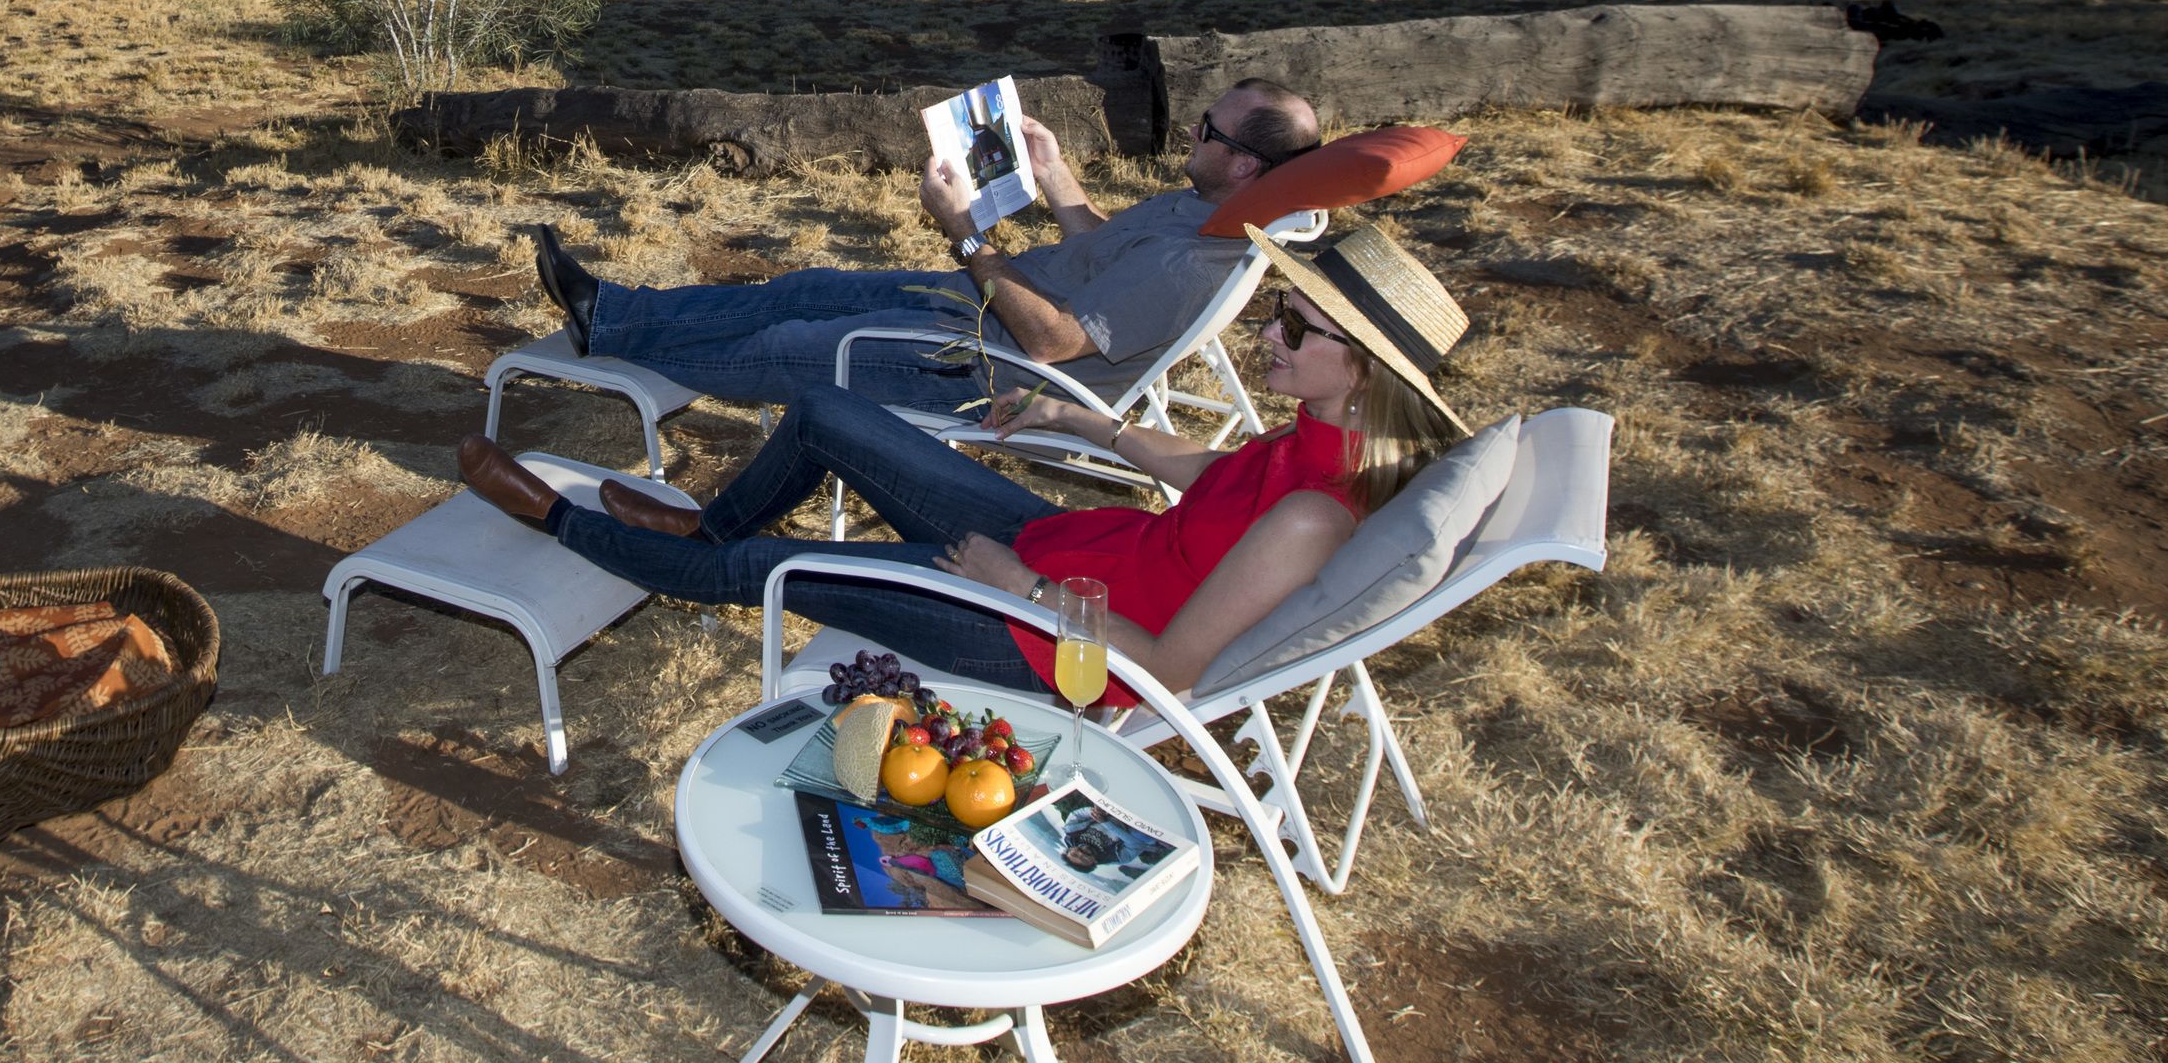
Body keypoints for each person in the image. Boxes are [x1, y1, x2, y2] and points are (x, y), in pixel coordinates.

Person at [457, 221, 1475, 704]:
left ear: (1365, 371)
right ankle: (704, 522)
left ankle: (556, 518)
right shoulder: (1319, 441)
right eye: (1282, 313)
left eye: (1297, 327)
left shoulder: (1319, 517)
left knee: (774, 573)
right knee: (825, 410)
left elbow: (1169, 668)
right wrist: (1089, 430)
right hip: (1066, 552)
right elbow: (1214, 483)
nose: (1271, 334)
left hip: (1048, 638)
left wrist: (1018, 587)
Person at [524, 80, 1322, 413]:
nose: (1193, 129)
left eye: (1208, 129)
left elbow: (1051, 344)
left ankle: (629, 354)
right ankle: (613, 317)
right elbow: (1105, 256)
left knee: (791, 345)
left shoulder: (1198, 258)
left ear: (1247, 163)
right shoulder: (1207, 207)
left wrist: (965, 230)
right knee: (807, 286)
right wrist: (1053, 176)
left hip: (985, 362)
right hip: (985, 308)